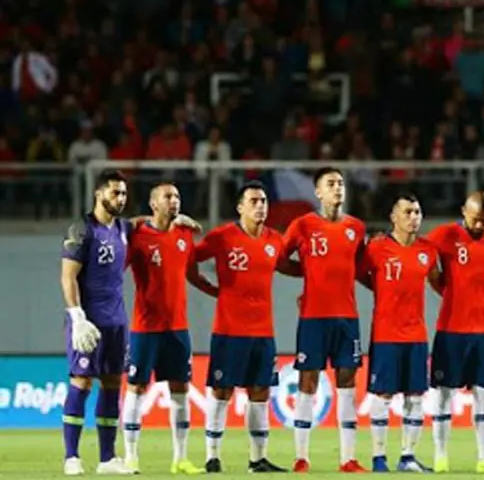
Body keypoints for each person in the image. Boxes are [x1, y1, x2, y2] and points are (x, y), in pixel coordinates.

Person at [194, 180, 299, 474]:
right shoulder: (222, 237)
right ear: (240, 207)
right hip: (228, 331)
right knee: (222, 391)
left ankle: (257, 460)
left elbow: (288, 266)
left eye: (263, 201)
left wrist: (318, 272)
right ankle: (212, 457)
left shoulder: (274, 240)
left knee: (260, 392)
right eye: (253, 201)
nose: (260, 206)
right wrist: (208, 288)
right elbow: (189, 259)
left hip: (263, 332)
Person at [121, 183, 213, 475]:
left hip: (178, 328)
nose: (174, 200)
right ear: (153, 204)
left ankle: (180, 459)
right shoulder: (137, 236)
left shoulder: (185, 234)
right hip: (145, 328)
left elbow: (192, 275)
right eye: (167, 196)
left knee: (180, 389)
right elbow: (117, 270)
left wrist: (218, 292)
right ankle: (131, 456)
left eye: (177, 196)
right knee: (136, 387)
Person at [282, 168, 367, 473]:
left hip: (347, 317)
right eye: (330, 184)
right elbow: (280, 258)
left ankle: (348, 458)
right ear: (318, 192)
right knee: (308, 381)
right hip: (314, 317)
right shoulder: (303, 225)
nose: (337, 188)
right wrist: (306, 274)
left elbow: (360, 266)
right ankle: (301, 457)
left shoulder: (356, 228)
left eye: (341, 183)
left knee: (347, 381)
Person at [60, 169, 136, 476]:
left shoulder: (123, 228)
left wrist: (174, 218)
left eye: (124, 193)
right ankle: (71, 457)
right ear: (98, 193)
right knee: (81, 381)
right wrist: (77, 316)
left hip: (116, 321)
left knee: (112, 384)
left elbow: (144, 222)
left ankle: (107, 459)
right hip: (88, 322)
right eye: (115, 192)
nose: (120, 198)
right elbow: (68, 276)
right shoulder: (82, 229)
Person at [426, 191, 484, 473]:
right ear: (463, 211)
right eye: (474, 219)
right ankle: (440, 457)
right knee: (443, 394)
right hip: (451, 329)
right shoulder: (445, 235)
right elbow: (423, 256)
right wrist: (443, 288)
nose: (479, 224)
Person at [360, 193, 439, 473]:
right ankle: (378, 458)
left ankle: (408, 457)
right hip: (386, 335)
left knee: (415, 397)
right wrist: (381, 289)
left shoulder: (427, 250)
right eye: (407, 212)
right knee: (382, 395)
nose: (413, 217)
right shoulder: (377, 247)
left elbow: (436, 280)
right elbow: (359, 273)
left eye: (417, 212)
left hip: (416, 335)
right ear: (394, 217)